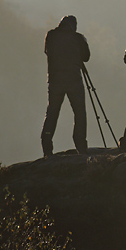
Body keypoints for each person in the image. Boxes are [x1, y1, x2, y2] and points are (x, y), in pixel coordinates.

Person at [41, 15, 90, 156]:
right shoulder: (78, 38)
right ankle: (81, 145)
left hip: (55, 80)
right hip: (74, 80)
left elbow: (46, 52)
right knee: (80, 113)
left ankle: (47, 145)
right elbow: (86, 56)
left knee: (52, 113)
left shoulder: (51, 36)